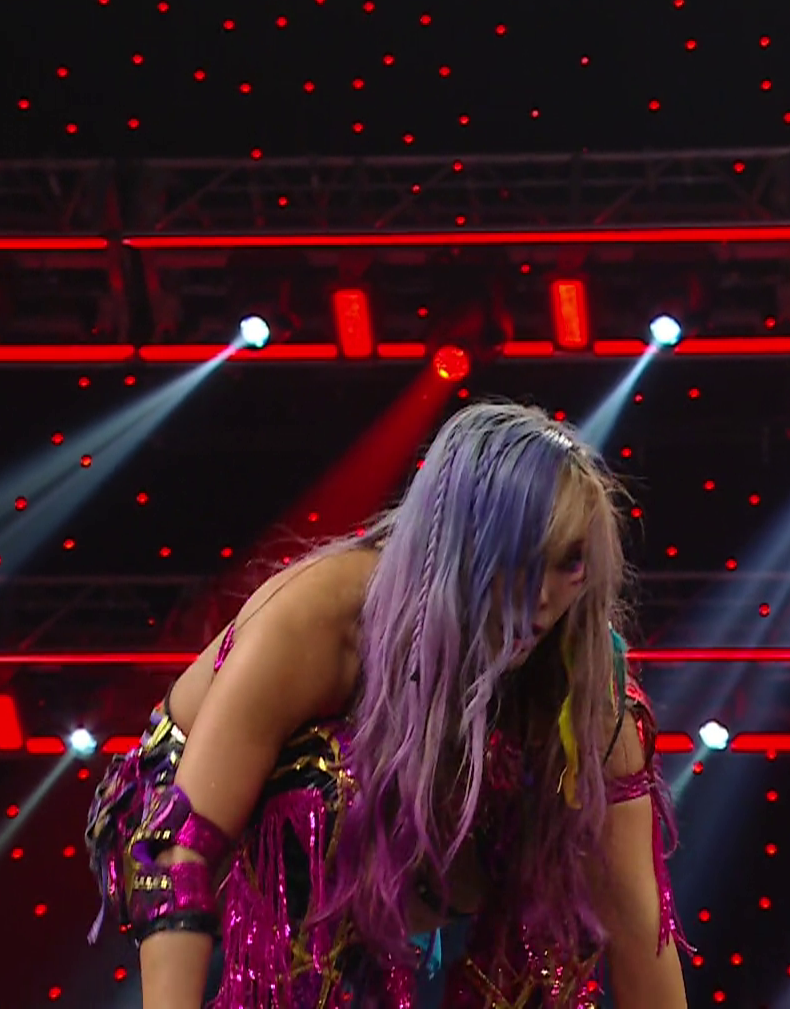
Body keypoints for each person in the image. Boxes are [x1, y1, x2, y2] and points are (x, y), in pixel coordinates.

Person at [86, 402, 691, 1008]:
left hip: (408, 849)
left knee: (563, 831)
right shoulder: (321, 618)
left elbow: (638, 925)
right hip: (180, 818)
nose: (542, 598)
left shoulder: (593, 689)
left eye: (568, 563)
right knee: (334, 784)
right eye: (520, 561)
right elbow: (178, 844)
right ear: (461, 546)